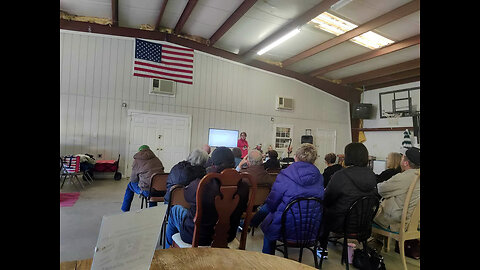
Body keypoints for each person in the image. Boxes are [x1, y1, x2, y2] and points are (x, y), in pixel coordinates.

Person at [165, 147, 249, 248]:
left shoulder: (202, 184)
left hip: (197, 236)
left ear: (212, 164)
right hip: (228, 235)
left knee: (175, 210)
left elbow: (187, 196)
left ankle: (169, 249)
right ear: (234, 162)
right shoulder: (244, 185)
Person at [259, 143, 324, 254]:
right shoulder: (320, 178)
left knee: (268, 229)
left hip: (285, 228)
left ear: (295, 157)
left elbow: (272, 203)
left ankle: (268, 261)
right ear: (314, 161)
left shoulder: (285, 175)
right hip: (312, 229)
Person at [318, 142, 378, 258]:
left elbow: (327, 199)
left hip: (342, 223)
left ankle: (322, 248)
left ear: (348, 156)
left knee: (324, 211)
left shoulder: (340, 176)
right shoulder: (372, 175)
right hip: (364, 224)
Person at [374, 147, 420, 231]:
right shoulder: (417, 175)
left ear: (406, 163)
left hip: (399, 223)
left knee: (367, 208)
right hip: (416, 223)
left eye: (402, 157)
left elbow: (381, 190)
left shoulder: (404, 177)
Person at [121, 145, 165, 212]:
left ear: (139, 151)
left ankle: (125, 210)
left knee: (130, 186)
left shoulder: (137, 161)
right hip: (159, 190)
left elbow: (133, 179)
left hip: (146, 191)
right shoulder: (157, 159)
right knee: (152, 186)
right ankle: (152, 211)